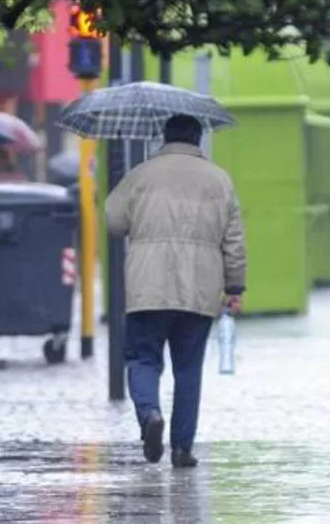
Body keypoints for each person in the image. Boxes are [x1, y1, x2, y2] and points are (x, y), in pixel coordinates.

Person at [106, 114, 247, 468]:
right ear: (198, 140)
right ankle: (182, 449)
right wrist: (234, 287)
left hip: (146, 287)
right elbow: (234, 241)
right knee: (188, 369)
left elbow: (113, 221)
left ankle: (150, 413)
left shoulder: (140, 174)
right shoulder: (220, 181)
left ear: (164, 138)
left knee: (142, 359)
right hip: (199, 289)